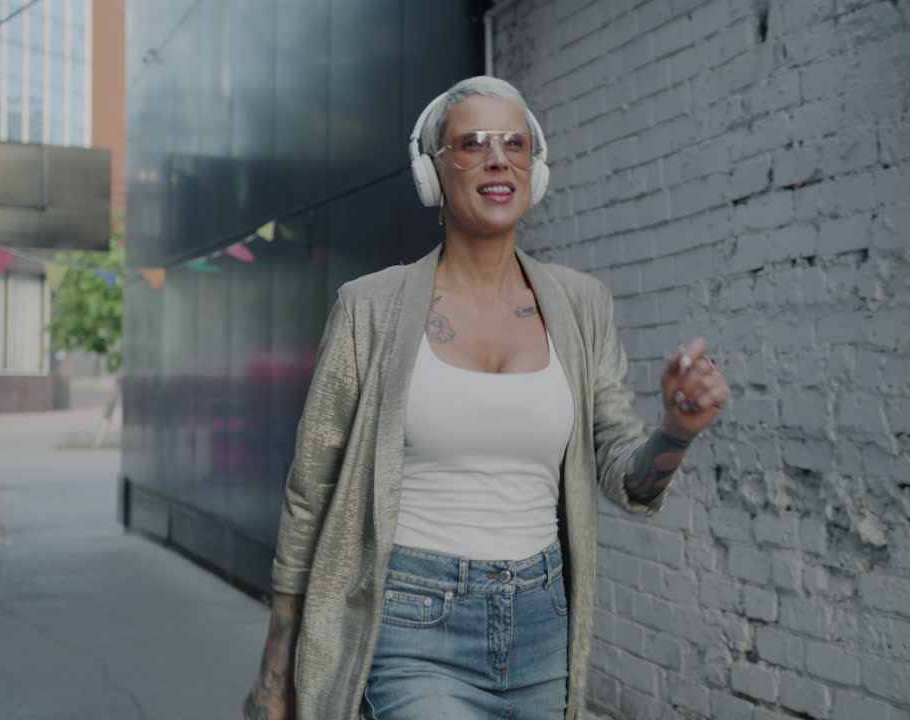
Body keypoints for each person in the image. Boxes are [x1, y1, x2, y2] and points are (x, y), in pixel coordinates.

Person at [242, 76, 730, 720]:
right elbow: (310, 496)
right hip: (411, 620)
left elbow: (626, 478)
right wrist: (276, 679)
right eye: (471, 143)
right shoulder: (370, 308)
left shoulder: (583, 306)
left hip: (542, 623)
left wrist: (677, 429)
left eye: (516, 144)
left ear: (536, 169)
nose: (498, 158)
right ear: (432, 175)